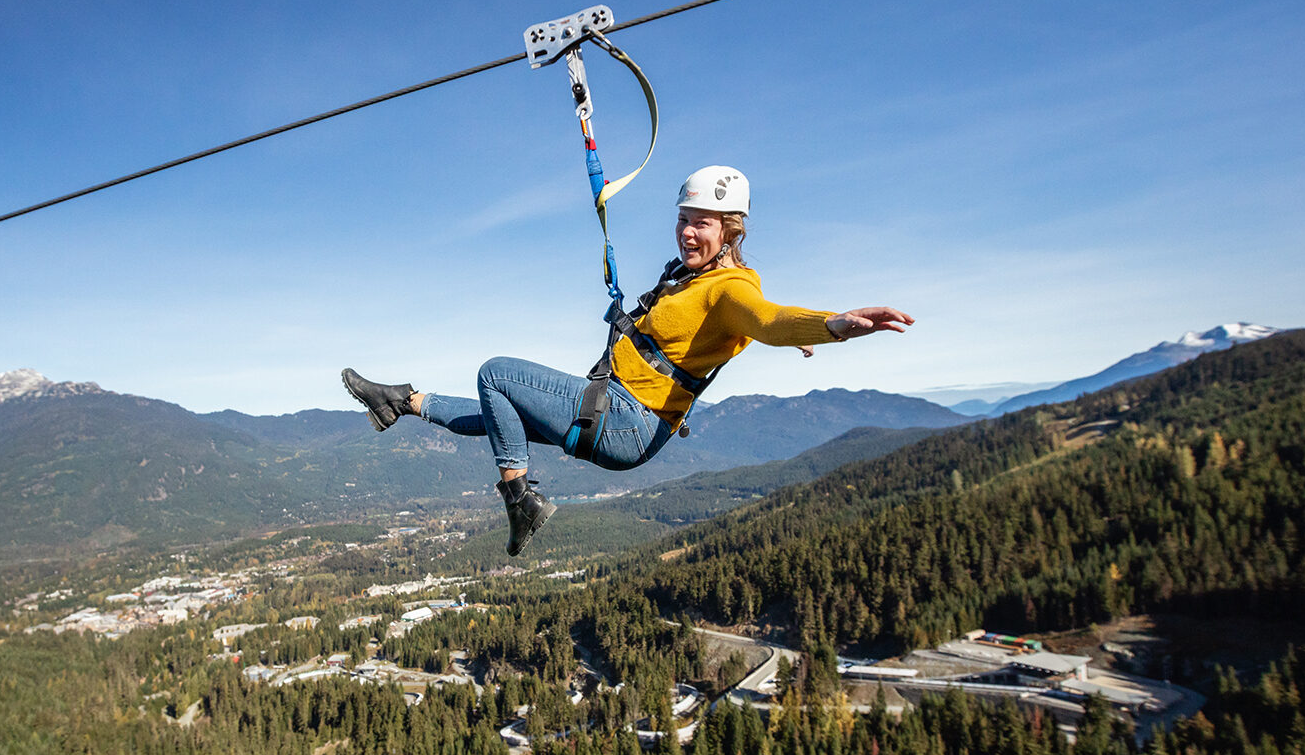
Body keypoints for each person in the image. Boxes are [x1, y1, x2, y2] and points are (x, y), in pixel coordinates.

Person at [342, 166, 914, 556]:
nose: (689, 232)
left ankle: (521, 501)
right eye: (684, 219)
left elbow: (765, 318)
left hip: (626, 418)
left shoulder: (731, 289)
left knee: (496, 374)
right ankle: (402, 402)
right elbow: (756, 326)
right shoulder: (693, 279)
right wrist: (786, 334)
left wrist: (833, 326)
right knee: (501, 412)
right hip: (617, 412)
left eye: (703, 223)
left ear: (731, 228)